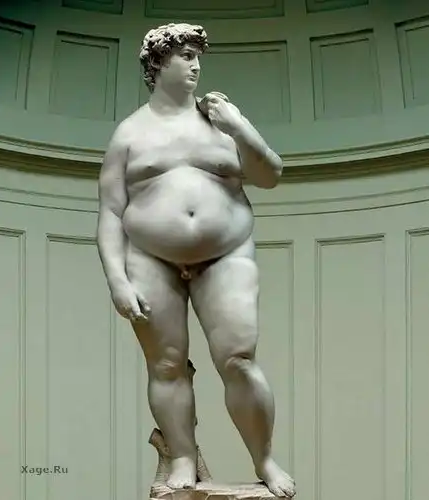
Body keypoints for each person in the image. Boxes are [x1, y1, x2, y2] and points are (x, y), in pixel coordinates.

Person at [97, 23, 295, 498]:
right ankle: (183, 455)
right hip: (150, 258)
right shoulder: (129, 134)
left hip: (226, 254)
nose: (196, 64)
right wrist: (116, 279)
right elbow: (110, 212)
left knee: (239, 359)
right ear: (157, 63)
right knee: (166, 365)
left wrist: (239, 126)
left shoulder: (221, 120)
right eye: (185, 55)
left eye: (198, 56)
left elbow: (270, 174)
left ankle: (264, 459)